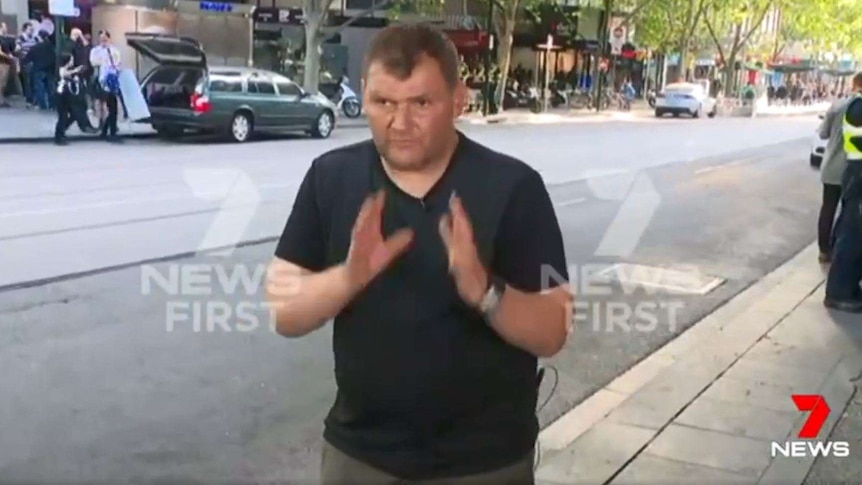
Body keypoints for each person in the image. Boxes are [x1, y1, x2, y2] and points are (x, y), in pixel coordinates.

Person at [266, 24, 572, 484]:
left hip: (486, 463)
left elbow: (552, 331)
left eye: (421, 104)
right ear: (364, 94)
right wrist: (349, 277)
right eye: (384, 103)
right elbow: (284, 312)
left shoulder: (513, 188)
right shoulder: (331, 178)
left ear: (459, 100)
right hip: (360, 457)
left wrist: (484, 290)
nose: (399, 123)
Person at [825, 72, 862, 313]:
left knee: (854, 234)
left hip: (857, 172)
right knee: (852, 236)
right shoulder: (858, 107)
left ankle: (847, 287)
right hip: (859, 174)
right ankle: (838, 292)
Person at [816, 75, 860, 263]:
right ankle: (839, 248)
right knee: (848, 210)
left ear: (854, 84)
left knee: (828, 207)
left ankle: (824, 250)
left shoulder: (837, 106)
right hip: (853, 168)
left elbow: (823, 133)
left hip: (831, 166)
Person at [89, 30, 121, 141]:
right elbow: (93, 62)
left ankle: (109, 131)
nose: (103, 41)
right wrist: (103, 56)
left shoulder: (114, 50)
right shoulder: (95, 51)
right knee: (104, 107)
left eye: (105, 39)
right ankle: (107, 130)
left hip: (111, 81)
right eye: (101, 39)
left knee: (112, 108)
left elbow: (117, 63)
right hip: (101, 81)